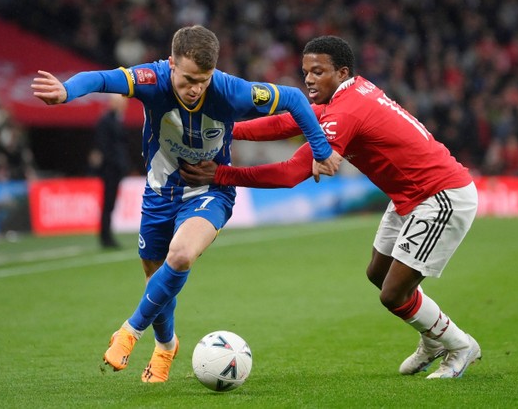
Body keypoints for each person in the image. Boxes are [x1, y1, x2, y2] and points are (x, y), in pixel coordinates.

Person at [31, 25, 342, 383]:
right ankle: (166, 346)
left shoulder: (230, 91)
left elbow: (292, 98)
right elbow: (102, 78)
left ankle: (129, 332)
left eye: (204, 80)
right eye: (189, 79)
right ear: (171, 64)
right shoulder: (151, 79)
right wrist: (67, 90)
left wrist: (321, 149)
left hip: (209, 190)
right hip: (159, 194)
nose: (196, 88)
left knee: (179, 256)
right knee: (155, 277)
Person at [180, 35, 481, 379]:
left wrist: (220, 174)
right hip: (409, 196)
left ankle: (459, 345)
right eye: (306, 71)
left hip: (439, 197)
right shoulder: (349, 94)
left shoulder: (347, 110)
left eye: (318, 71)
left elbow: (291, 173)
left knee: (393, 293)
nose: (308, 79)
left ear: (341, 72)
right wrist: (229, 130)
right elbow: (287, 122)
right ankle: (432, 338)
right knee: (377, 274)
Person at [94, 94, 130, 248]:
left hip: (115, 169)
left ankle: (107, 236)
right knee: (108, 204)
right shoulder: (106, 121)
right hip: (110, 170)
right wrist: (117, 164)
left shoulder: (116, 120)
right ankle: (105, 238)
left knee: (111, 204)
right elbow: (105, 147)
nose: (124, 105)